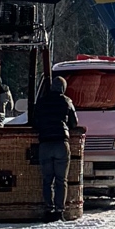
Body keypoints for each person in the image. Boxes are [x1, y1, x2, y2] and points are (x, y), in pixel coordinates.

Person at [33, 72, 83, 219]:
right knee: (61, 180)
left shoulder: (41, 102)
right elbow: (74, 122)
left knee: (47, 179)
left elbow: (35, 122)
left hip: (45, 143)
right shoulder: (66, 101)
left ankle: (48, 209)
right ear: (63, 88)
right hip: (61, 142)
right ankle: (59, 210)